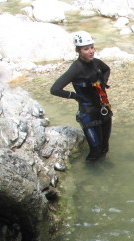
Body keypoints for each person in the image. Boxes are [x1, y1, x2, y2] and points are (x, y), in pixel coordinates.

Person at [50, 31, 112, 162]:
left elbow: (107, 70)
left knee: (105, 147)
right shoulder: (76, 68)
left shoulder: (96, 63)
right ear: (78, 50)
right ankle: (90, 175)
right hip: (88, 114)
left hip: (103, 110)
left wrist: (103, 82)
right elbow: (55, 89)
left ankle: (104, 169)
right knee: (95, 150)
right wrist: (75, 96)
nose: (91, 51)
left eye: (92, 47)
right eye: (86, 49)